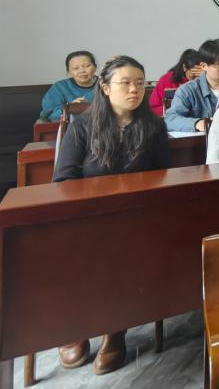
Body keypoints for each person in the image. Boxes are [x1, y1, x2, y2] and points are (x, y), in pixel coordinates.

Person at [53, 56, 171, 375]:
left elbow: (164, 177)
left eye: (140, 83)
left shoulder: (154, 127)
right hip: (88, 219)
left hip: (135, 219)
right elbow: (63, 180)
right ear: (105, 88)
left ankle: (114, 329)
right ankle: (76, 325)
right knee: (77, 252)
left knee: (124, 251)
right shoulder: (82, 126)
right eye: (126, 83)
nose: (135, 89)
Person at [164, 38, 219, 132]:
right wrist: (197, 123)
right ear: (204, 66)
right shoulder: (188, 90)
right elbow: (170, 120)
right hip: (199, 141)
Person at [39, 50, 98, 121]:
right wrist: (69, 109)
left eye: (86, 66)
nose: (82, 71)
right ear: (69, 72)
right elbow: (49, 116)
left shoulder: (105, 85)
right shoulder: (59, 88)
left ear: (95, 67)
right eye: (76, 68)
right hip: (68, 126)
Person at [148, 49, 202, 117]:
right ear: (184, 67)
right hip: (170, 117)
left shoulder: (204, 79)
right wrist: (169, 112)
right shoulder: (167, 79)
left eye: (198, 75)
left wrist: (205, 77)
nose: (196, 79)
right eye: (193, 75)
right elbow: (153, 106)